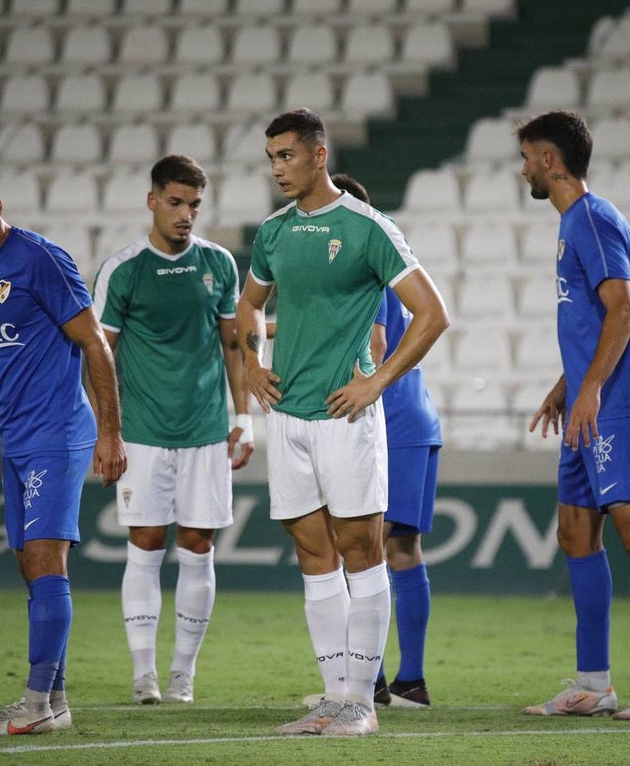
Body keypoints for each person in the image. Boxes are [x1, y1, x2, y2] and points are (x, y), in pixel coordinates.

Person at [237, 109, 449, 736]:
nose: (277, 167)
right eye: (271, 157)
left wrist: (377, 382)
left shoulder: (368, 228)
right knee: (312, 552)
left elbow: (432, 314)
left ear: (319, 154)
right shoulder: (273, 233)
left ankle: (361, 702)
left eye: (286, 155)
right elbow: (246, 307)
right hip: (289, 417)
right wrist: (250, 363)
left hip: (345, 417)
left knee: (362, 551)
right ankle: (333, 697)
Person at [0, 166, 127, 736]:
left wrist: (111, 433)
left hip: (59, 431)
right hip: (14, 436)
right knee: (29, 566)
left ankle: (37, 701)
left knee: (46, 560)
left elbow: (94, 344)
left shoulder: (42, 259)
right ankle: (56, 699)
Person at [517, 111, 630, 721]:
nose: (523, 169)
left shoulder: (590, 217)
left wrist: (590, 389)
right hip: (590, 400)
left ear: (551, 161)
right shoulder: (574, 223)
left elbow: (622, 311)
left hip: (619, 403)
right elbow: (595, 319)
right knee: (574, 529)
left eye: (528, 158)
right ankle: (594, 684)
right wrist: (566, 387)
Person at [92, 155, 253, 706]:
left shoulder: (220, 264)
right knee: (145, 542)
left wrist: (245, 418)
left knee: (198, 544)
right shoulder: (123, 269)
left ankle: (183, 672)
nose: (186, 215)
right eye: (176, 202)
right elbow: (98, 356)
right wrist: (105, 432)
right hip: (140, 432)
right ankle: (144, 673)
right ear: (153, 200)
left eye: (194, 205)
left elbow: (235, 346)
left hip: (207, 431)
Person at [335, 173, 442, 709]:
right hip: (417, 419)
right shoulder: (389, 251)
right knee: (400, 548)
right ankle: (409, 683)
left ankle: (368, 681)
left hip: (386, 421)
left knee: (364, 548)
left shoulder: (363, 262)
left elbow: (373, 343)